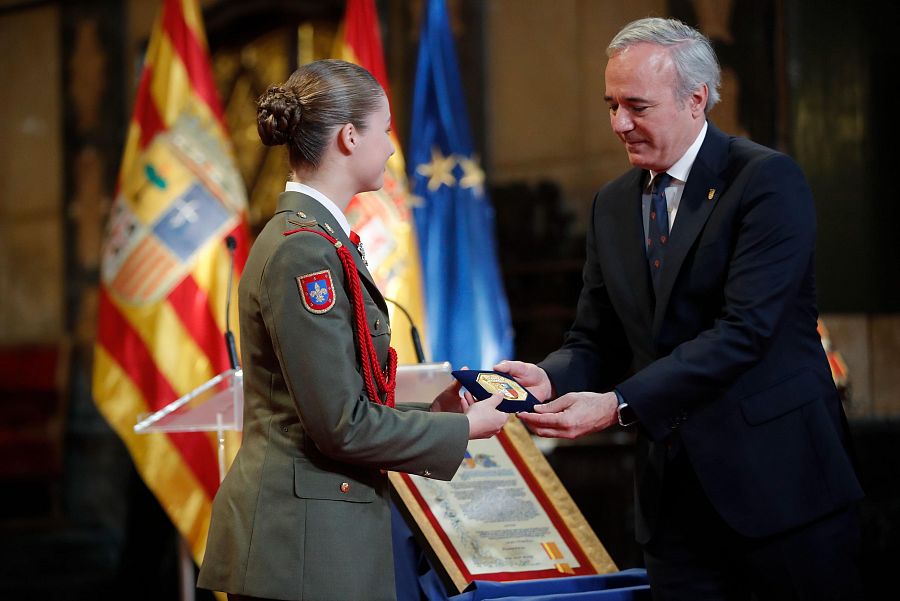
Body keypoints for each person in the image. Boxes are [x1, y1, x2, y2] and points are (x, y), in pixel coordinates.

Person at [507, 17, 864, 600]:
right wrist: (547, 377)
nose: (619, 123)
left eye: (637, 106)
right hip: (673, 512)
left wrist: (618, 404)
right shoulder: (612, 203)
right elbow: (597, 339)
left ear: (696, 99)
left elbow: (744, 332)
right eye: (611, 105)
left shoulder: (766, 181)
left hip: (783, 500)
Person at [197, 59, 508, 601]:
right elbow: (340, 425)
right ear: (348, 137)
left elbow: (336, 404)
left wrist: (433, 414)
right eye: (384, 129)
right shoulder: (303, 252)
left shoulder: (318, 241)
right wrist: (462, 431)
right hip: (299, 549)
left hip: (314, 540)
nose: (390, 146)